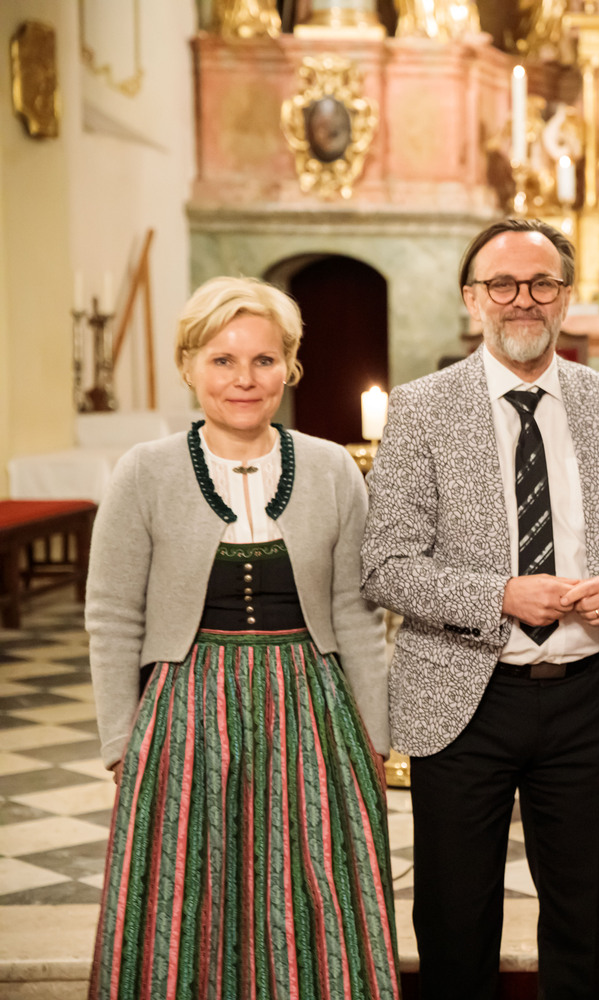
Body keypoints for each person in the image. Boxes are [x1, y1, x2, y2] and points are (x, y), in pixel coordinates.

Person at [361, 218, 599, 1000]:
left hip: (585, 694)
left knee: (580, 921)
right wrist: (499, 595)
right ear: (473, 298)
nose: (523, 299)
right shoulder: (423, 407)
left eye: (542, 283)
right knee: (456, 922)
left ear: (566, 297)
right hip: (465, 697)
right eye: (502, 284)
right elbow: (386, 566)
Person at [85, 276, 398, 999]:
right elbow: (113, 614)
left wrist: (375, 738)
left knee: (314, 894)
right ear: (189, 365)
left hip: (312, 713)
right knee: (186, 898)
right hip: (185, 714)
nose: (244, 379)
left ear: (289, 367)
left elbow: (355, 613)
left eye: (263, 360)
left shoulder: (331, 468)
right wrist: (120, 740)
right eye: (222, 360)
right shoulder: (145, 472)